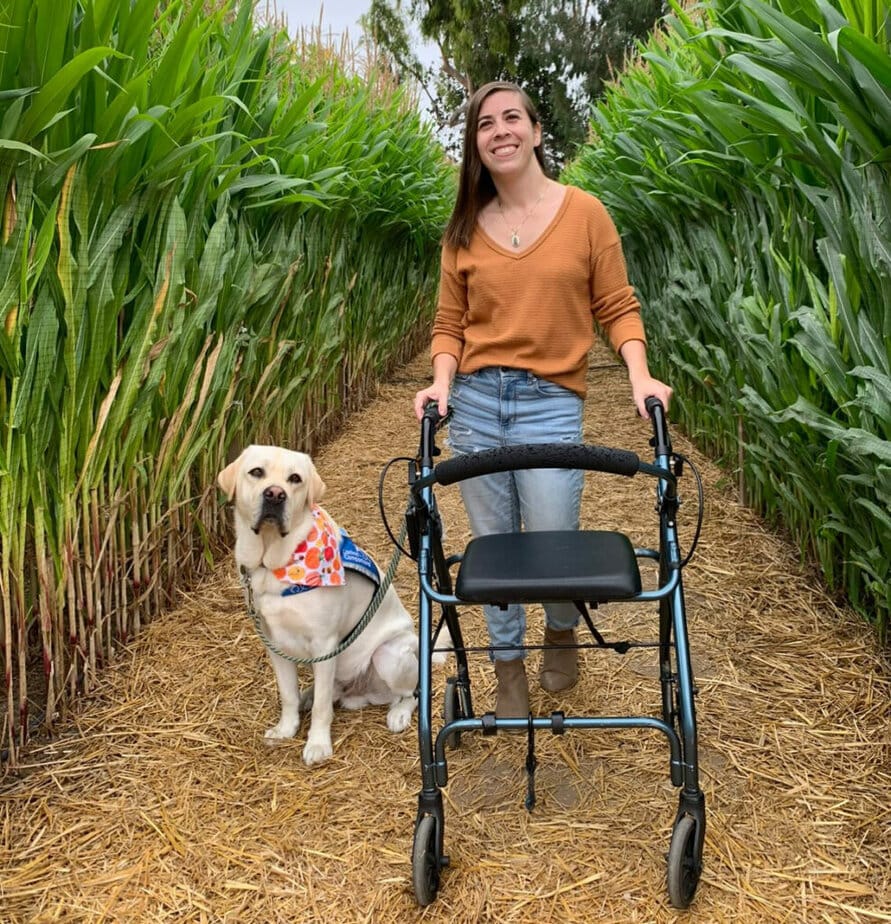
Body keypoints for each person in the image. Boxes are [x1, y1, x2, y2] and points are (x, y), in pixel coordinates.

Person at [413, 80, 672, 719]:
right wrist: (441, 383)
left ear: (534, 131)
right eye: (485, 124)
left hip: (550, 399)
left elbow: (617, 304)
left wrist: (640, 376)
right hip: (476, 401)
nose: (499, 131)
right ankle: (507, 668)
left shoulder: (584, 213)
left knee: (554, 537)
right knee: (494, 546)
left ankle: (560, 629)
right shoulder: (463, 228)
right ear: (475, 143)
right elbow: (449, 323)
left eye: (511, 118)